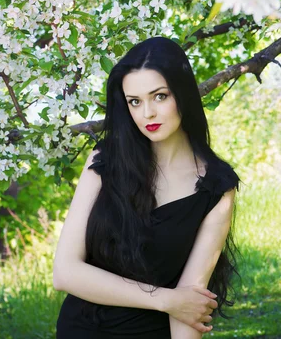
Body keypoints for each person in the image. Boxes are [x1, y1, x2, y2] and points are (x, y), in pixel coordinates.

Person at [53, 36, 241, 339]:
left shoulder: (217, 186)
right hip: (81, 330)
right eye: (135, 102)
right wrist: (166, 300)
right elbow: (65, 272)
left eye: (160, 96)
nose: (147, 114)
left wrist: (178, 304)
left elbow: (189, 306)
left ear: (183, 94)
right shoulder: (104, 162)